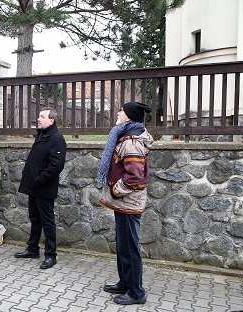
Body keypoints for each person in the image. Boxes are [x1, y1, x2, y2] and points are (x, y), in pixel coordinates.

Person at [96, 102, 153, 305]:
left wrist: (114, 190)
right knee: (123, 246)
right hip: (124, 203)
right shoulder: (125, 136)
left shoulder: (131, 141)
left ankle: (137, 293)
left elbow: (134, 178)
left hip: (128, 202)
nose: (118, 112)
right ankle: (124, 283)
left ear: (128, 117)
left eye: (121, 110)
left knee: (130, 248)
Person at [14, 107, 66, 269]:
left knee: (47, 221)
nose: (38, 119)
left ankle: (51, 255)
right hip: (34, 187)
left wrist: (39, 179)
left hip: (44, 188)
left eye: (42, 117)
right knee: (35, 218)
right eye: (39, 116)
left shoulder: (56, 138)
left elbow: (56, 165)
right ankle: (32, 249)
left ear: (51, 120)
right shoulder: (43, 135)